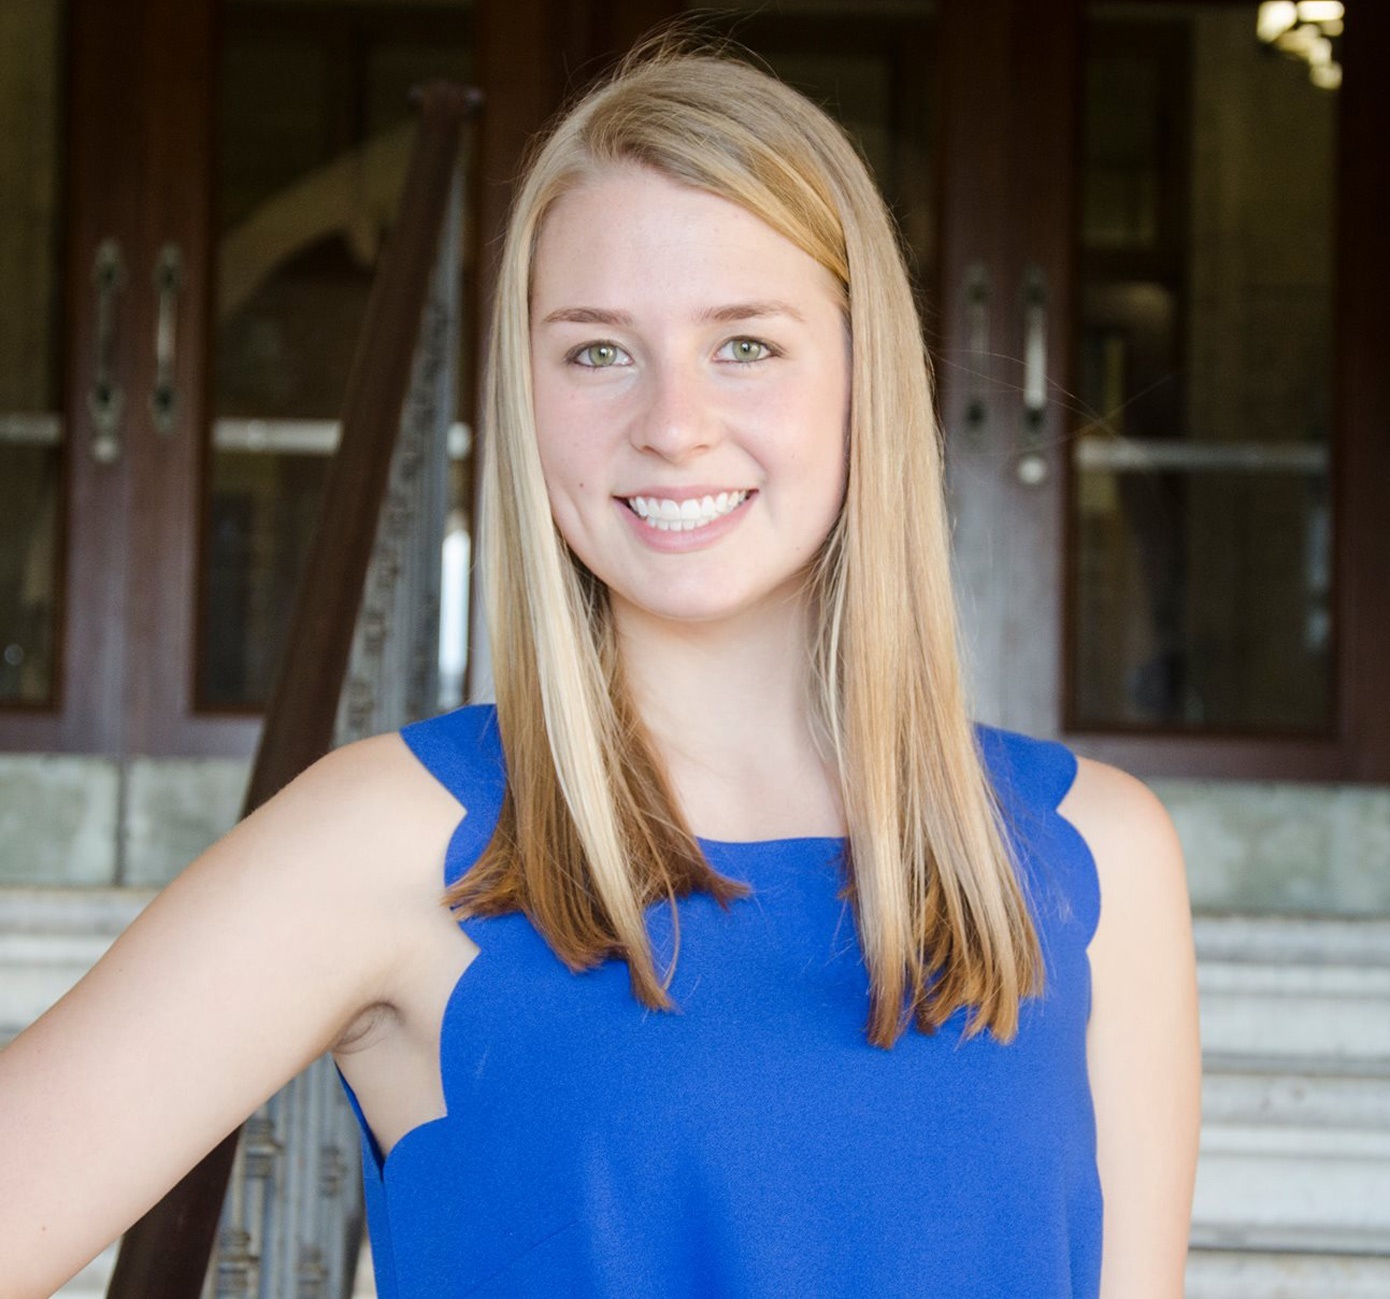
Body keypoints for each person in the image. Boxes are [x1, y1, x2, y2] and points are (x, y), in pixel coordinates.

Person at [0, 42, 1199, 1299]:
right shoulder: (389, 842)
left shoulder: (1097, 855)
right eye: (596, 352)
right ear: (526, 396)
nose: (672, 422)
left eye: (745, 344)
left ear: (864, 383)